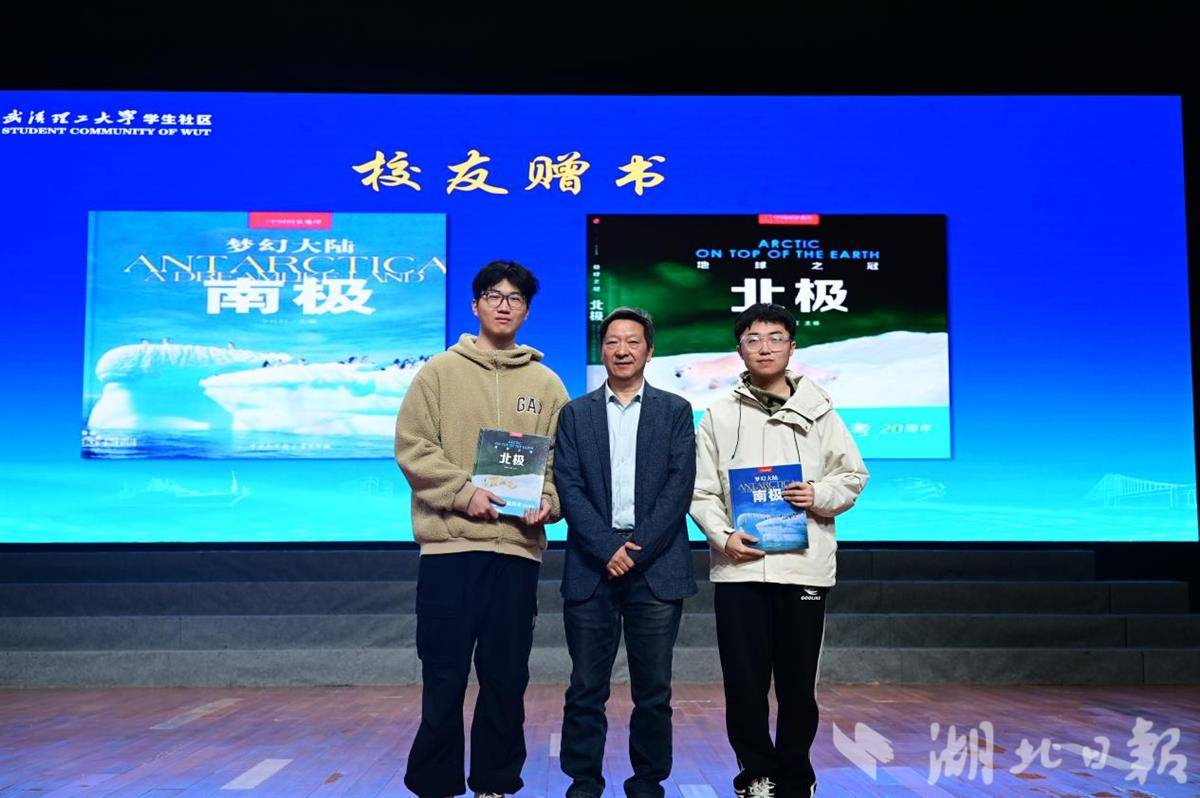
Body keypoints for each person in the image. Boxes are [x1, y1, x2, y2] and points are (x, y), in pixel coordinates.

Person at [394, 260, 570, 798]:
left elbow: (562, 463)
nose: (503, 305)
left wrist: (548, 501)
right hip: (449, 550)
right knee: (443, 677)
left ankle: (495, 782)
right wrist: (463, 491)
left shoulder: (547, 384)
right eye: (493, 295)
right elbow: (413, 448)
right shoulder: (438, 372)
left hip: (516, 553)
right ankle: (435, 784)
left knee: (506, 678)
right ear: (475, 305)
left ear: (527, 311)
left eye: (515, 298)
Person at [690, 303, 869, 798]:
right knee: (743, 683)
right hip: (740, 568)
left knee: (797, 685)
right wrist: (723, 536)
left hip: (803, 568)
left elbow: (852, 476)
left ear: (792, 347)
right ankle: (756, 774)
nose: (764, 347)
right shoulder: (718, 414)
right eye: (753, 339)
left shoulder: (820, 411)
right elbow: (701, 491)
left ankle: (795, 776)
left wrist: (818, 494)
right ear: (739, 349)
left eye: (775, 338)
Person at [553, 307, 697, 798]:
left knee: (653, 690)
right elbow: (569, 487)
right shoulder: (576, 414)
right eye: (612, 341)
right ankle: (583, 782)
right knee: (585, 687)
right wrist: (607, 547)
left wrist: (634, 550)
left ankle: (648, 782)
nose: (622, 350)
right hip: (591, 566)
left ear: (649, 351)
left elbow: (679, 487)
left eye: (632, 341)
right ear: (602, 351)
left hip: (656, 565)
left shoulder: (675, 411)